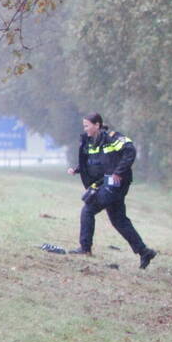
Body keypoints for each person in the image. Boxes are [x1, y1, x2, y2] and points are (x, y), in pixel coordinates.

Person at [67, 113, 156, 269]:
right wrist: (78, 170)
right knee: (119, 220)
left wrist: (118, 172)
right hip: (106, 184)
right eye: (84, 126)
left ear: (97, 125)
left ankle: (85, 248)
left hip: (116, 184)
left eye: (87, 125)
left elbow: (130, 150)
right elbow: (93, 162)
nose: (85, 129)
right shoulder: (90, 142)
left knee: (88, 210)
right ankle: (144, 252)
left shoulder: (112, 137)